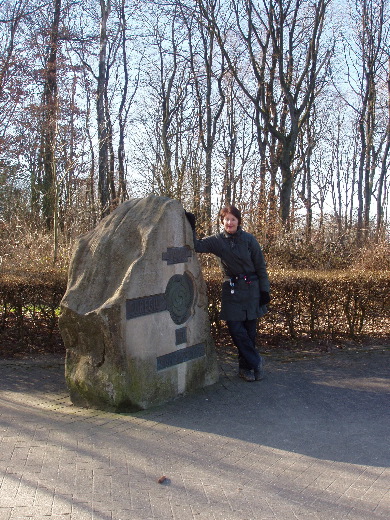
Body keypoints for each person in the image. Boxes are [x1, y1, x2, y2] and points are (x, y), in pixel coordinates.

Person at [186, 205, 270, 382]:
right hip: (232, 290)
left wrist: (264, 291)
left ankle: (246, 369)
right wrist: (191, 226)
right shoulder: (218, 240)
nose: (230, 222)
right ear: (222, 221)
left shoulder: (249, 240)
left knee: (250, 332)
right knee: (235, 328)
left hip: (252, 289)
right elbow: (197, 245)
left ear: (238, 221)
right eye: (226, 219)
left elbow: (261, 267)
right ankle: (256, 361)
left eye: (233, 219)